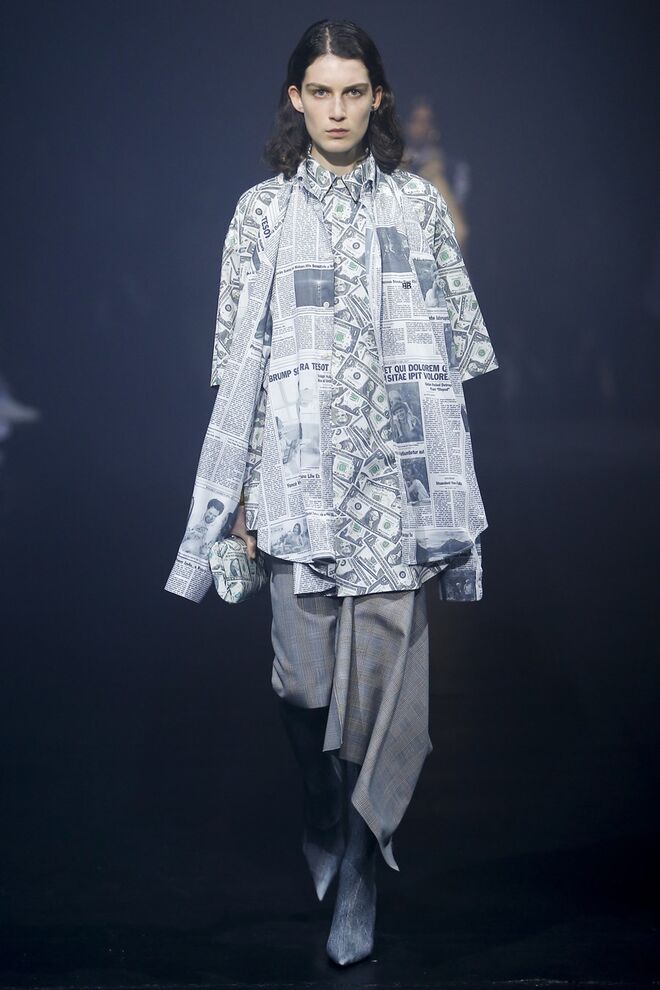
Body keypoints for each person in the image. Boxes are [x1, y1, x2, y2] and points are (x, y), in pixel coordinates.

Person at [165, 18, 498, 967]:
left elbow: (457, 350)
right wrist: (241, 497)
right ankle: (318, 797)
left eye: (354, 92)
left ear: (376, 98)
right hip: (297, 483)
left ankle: (359, 868)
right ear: (296, 99)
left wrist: (443, 484)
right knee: (306, 688)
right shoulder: (260, 214)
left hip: (393, 484)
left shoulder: (417, 207)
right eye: (321, 92)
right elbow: (238, 364)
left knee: (378, 699)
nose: (338, 110)